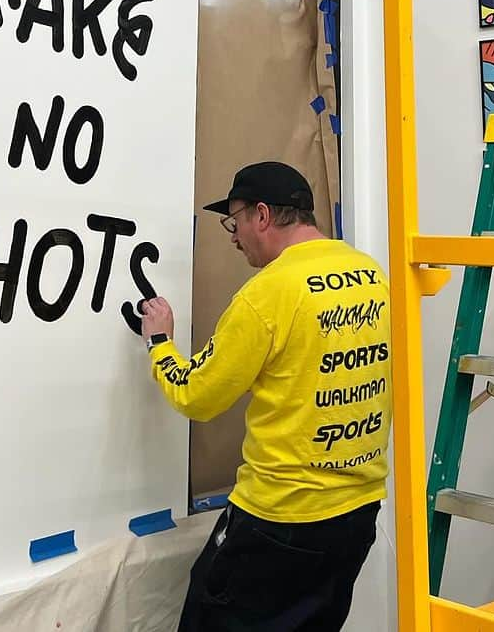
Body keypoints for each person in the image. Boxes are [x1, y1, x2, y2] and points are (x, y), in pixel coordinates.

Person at [140, 160, 391, 632]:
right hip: (356, 515)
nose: (233, 237)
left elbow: (198, 396)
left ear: (261, 216)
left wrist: (160, 343)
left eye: (233, 223)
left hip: (283, 518)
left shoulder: (268, 293)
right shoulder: (370, 274)